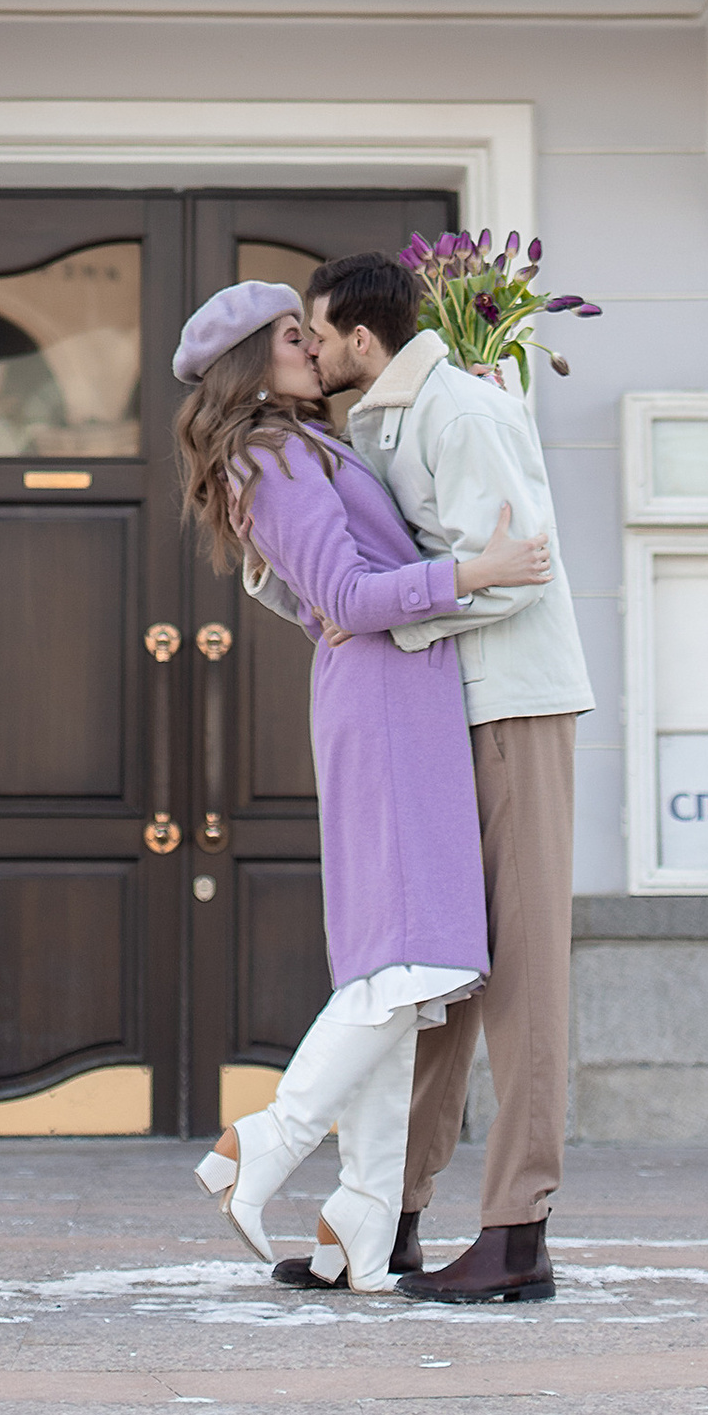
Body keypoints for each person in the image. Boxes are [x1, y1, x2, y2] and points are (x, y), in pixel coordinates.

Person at [170, 276, 552, 1294]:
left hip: (400, 699)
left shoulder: (307, 444)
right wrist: (475, 573)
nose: (313, 350)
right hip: (387, 708)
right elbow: (342, 593)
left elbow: (320, 590)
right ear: (258, 358)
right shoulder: (274, 451)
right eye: (294, 337)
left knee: (405, 970)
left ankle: (361, 1226)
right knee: (412, 966)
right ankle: (266, 1144)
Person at [301, 250, 594, 1308]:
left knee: (521, 979)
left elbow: (518, 570)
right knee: (438, 973)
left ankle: (518, 1230)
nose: (310, 349)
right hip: (449, 712)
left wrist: (390, 612)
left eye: (317, 332)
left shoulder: (457, 410)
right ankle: (397, 1214)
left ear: (361, 338)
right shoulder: (381, 419)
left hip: (512, 703)